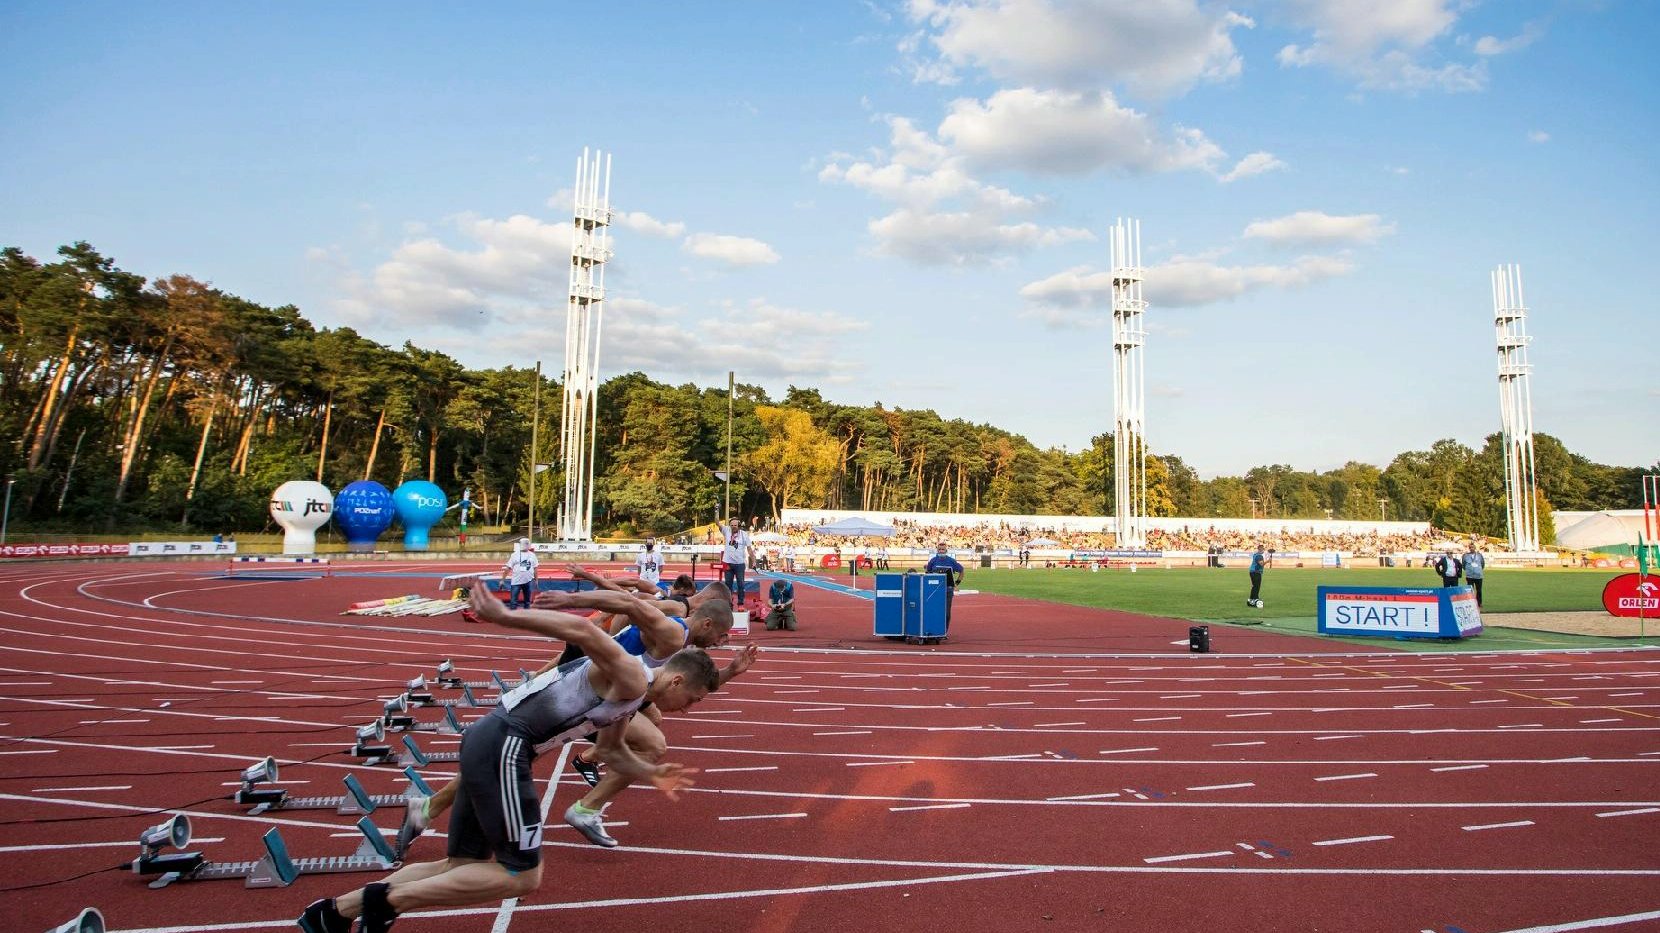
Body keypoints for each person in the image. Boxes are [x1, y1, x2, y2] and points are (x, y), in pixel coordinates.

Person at [298, 587, 710, 933]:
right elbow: (583, 630)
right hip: (506, 745)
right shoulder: (632, 676)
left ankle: (332, 914)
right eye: (691, 700)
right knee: (521, 875)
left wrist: (651, 772)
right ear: (676, 679)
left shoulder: (631, 699)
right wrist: (504, 614)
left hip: (490, 741)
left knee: (461, 864)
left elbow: (612, 750)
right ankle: (383, 902)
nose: (687, 710)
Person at [923, 542, 965, 633]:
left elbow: (962, 571)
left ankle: (944, 631)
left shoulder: (951, 561)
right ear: (937, 550)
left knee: (946, 613)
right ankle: (933, 630)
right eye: (940, 549)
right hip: (934, 591)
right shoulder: (933, 561)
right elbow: (927, 573)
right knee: (933, 610)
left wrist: (957, 583)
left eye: (943, 549)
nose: (941, 551)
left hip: (948, 590)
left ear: (946, 550)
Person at [720, 518, 752, 610]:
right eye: (732, 525)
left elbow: (749, 548)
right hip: (728, 563)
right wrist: (716, 511)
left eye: (735, 525)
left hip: (739, 564)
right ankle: (729, 603)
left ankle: (740, 603)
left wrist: (753, 560)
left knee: (741, 584)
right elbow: (718, 522)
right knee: (727, 584)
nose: (733, 527)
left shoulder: (744, 535)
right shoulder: (726, 530)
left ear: (739, 526)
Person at [500, 538, 538, 610]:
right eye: (524, 543)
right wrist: (502, 580)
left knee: (527, 601)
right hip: (516, 582)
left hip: (528, 581)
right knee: (514, 601)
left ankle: (526, 617)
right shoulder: (514, 555)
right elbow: (508, 568)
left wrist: (536, 580)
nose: (526, 545)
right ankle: (512, 617)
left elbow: (535, 568)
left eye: (527, 543)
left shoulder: (533, 555)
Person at [1462, 539, 1486, 607]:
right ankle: (1471, 603)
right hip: (1469, 576)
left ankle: (1479, 603)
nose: (1471, 548)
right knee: (1470, 590)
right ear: (1469, 548)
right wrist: (1468, 570)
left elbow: (1482, 564)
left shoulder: (1479, 555)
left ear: (1475, 548)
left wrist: (1478, 569)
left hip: (1478, 576)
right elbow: (1463, 565)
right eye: (1470, 547)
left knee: (1479, 590)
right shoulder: (1465, 556)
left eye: (1473, 547)